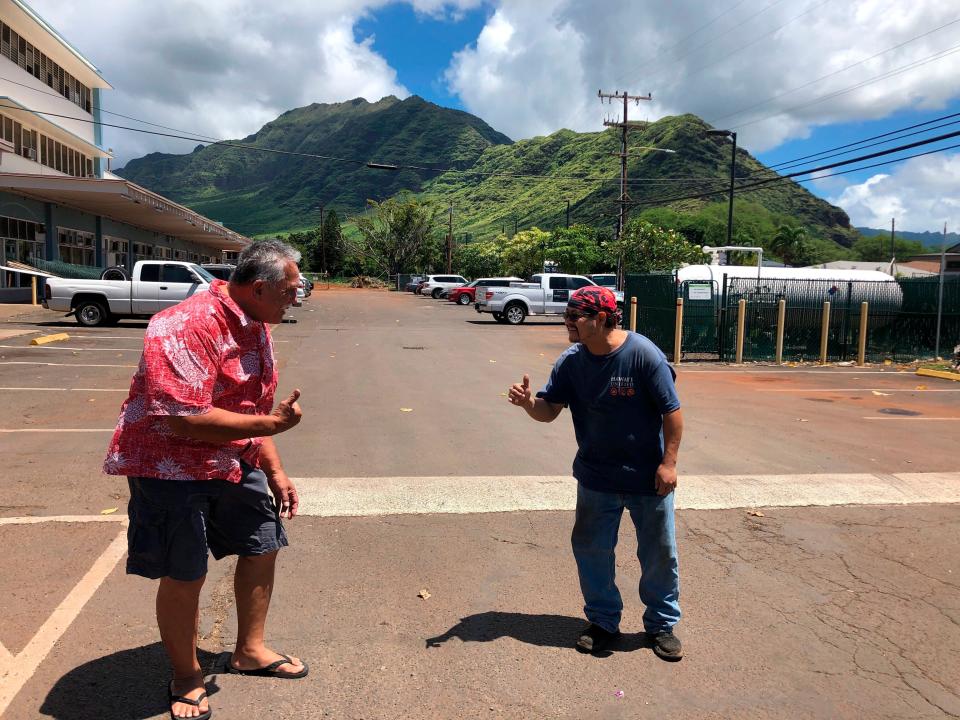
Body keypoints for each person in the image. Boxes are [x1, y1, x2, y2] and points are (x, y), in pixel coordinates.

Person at [104, 239, 308, 719]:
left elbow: (251, 408)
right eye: (291, 291)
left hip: (233, 459)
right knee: (186, 570)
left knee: (263, 543)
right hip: (170, 468)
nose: (295, 299)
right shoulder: (183, 326)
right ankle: (187, 674)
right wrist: (271, 428)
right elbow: (184, 419)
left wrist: (274, 468)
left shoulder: (256, 323)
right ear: (260, 288)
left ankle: (249, 650)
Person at [508, 285, 684, 660]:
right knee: (591, 551)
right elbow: (549, 410)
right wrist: (529, 405)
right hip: (596, 478)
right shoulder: (572, 362)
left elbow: (672, 412)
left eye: (575, 317)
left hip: (647, 479)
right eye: (567, 315)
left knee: (658, 553)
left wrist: (669, 464)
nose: (567, 322)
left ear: (602, 318)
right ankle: (603, 622)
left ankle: (661, 625)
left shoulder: (643, 355)